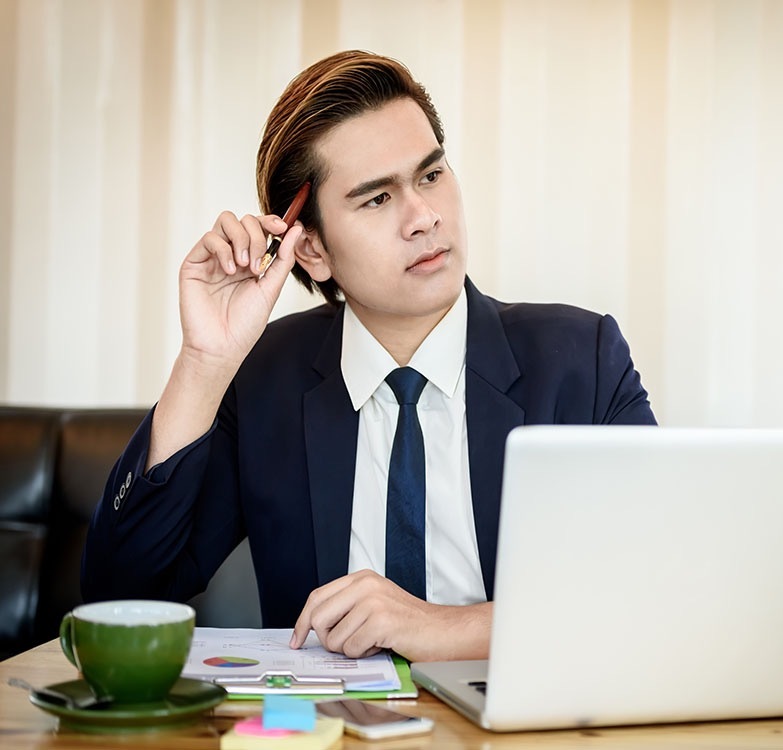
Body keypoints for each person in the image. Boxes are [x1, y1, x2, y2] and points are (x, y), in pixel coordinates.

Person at [81, 50, 656, 662]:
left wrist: (442, 628)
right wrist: (204, 361)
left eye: (431, 175)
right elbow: (118, 594)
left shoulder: (581, 359)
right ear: (313, 253)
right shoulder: (263, 381)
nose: (424, 217)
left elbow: (656, 587)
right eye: (377, 199)